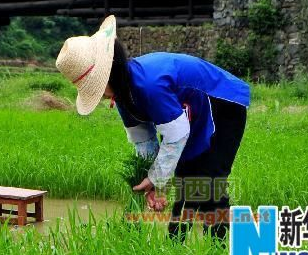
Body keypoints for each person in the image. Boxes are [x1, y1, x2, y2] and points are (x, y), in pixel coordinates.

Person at [55, 15, 250, 240]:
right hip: (191, 112)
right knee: (186, 174)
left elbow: (176, 135)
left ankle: (219, 248)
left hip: (222, 101)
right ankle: (177, 243)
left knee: (209, 178)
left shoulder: (149, 85)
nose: (98, 95)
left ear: (109, 72)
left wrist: (157, 178)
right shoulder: (123, 97)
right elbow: (144, 142)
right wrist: (154, 184)